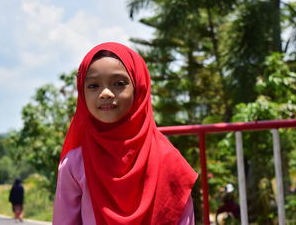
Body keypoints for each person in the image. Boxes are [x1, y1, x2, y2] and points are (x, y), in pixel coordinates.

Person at [53, 42, 198, 224]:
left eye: (119, 83)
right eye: (93, 85)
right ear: (81, 93)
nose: (105, 93)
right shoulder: (74, 164)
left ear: (139, 88)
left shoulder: (169, 161)